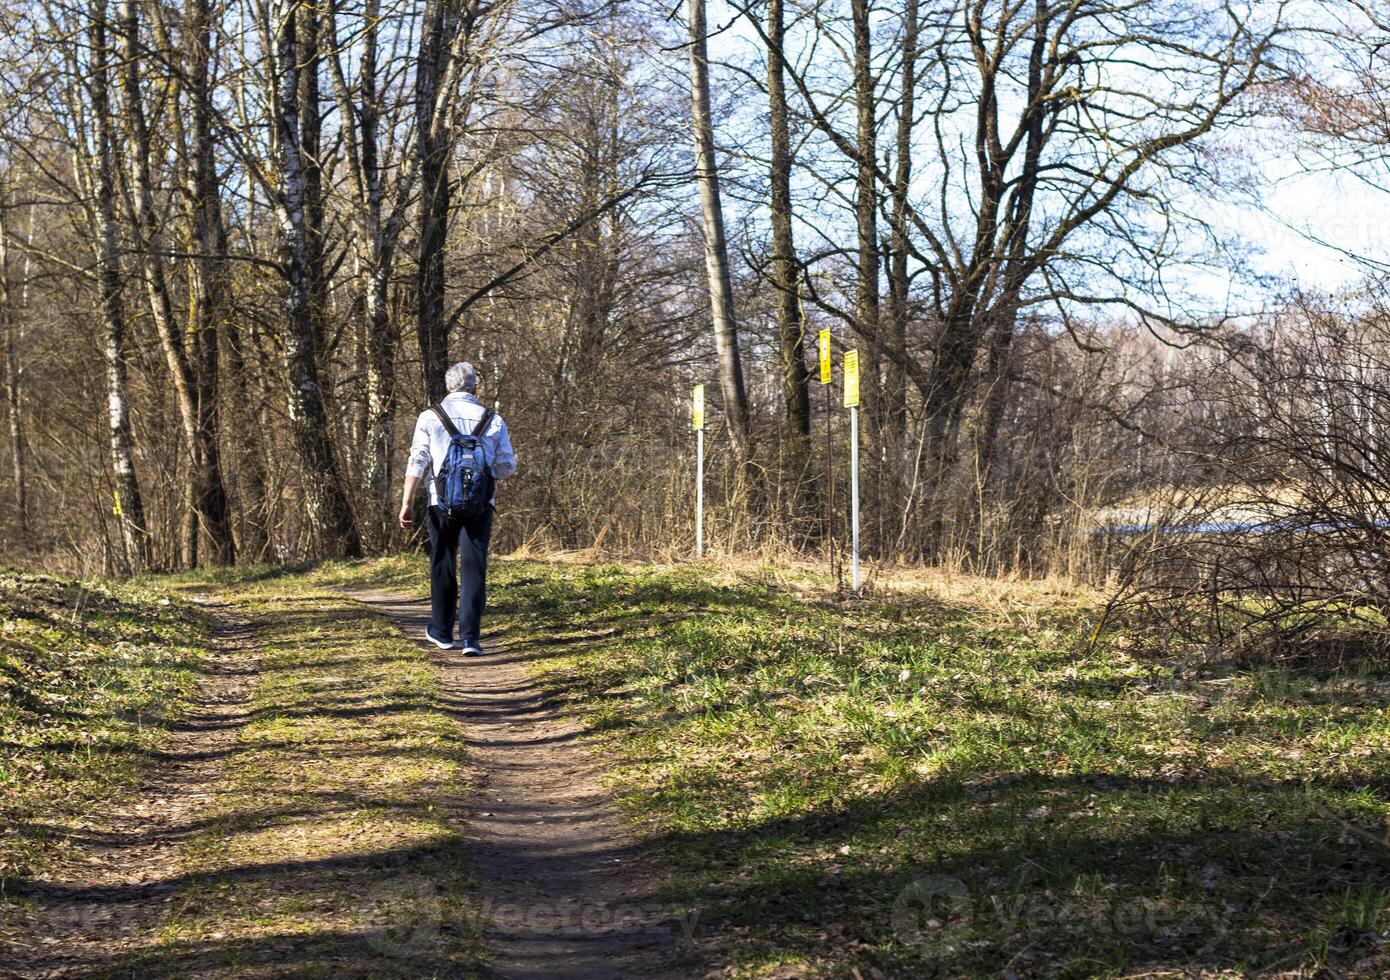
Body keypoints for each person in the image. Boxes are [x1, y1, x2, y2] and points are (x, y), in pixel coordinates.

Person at [399, 362, 517, 654]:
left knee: (443, 561)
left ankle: (441, 631)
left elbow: (418, 459)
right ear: (475, 387)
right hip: (481, 505)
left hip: (440, 502)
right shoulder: (493, 419)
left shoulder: (430, 416)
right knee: (475, 566)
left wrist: (406, 502)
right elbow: (506, 466)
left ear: (448, 386)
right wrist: (483, 473)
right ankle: (470, 638)